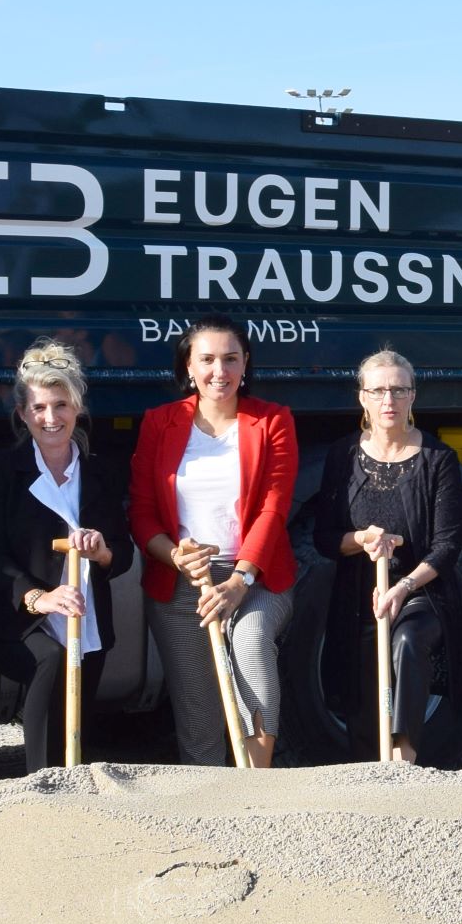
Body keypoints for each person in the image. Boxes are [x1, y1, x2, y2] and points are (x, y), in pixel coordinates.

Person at [129, 317, 299, 768]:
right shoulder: (158, 423)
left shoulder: (273, 421)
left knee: (251, 646)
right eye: (206, 359)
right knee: (198, 714)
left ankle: (258, 790)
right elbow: (142, 512)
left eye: (230, 358)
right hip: (182, 581)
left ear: (246, 365)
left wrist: (240, 580)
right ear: (189, 366)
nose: (218, 371)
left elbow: (273, 508)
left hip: (255, 578)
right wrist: (174, 554)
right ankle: (209, 806)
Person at [0, 340, 135, 775]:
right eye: (39, 407)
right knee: (51, 660)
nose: (50, 418)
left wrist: (102, 553)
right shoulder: (1, 471)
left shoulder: (100, 472)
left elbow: (123, 554)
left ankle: (76, 796)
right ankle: (40, 784)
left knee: (80, 725)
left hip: (87, 618)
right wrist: (38, 598)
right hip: (14, 620)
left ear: (77, 408)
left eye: (61, 405)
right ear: (23, 413)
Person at [315, 349, 462, 764]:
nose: (389, 400)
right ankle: (369, 770)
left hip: (421, 589)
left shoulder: (438, 459)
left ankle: (405, 755)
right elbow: (325, 539)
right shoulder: (342, 456)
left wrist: (402, 587)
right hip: (358, 593)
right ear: (362, 397)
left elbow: (447, 546)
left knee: (407, 641)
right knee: (362, 687)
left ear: (413, 396)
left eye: (399, 390)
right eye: (379, 390)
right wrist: (360, 539)